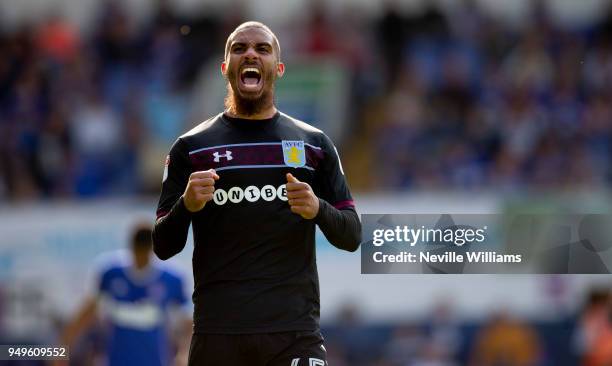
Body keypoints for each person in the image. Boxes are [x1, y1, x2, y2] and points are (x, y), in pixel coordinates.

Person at [153, 21, 361, 365]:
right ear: (226, 69)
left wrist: (318, 209)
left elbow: (352, 235)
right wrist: (186, 205)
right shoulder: (190, 149)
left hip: (294, 334)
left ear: (278, 69)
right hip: (218, 336)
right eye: (239, 48)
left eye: (262, 49)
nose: (250, 53)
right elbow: (163, 245)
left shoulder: (315, 144)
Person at [58, 223, 191, 366]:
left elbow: (188, 321)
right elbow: (87, 311)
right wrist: (63, 348)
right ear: (132, 247)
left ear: (151, 250)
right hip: (115, 360)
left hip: (155, 360)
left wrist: (185, 353)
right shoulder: (110, 272)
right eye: (137, 252)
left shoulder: (172, 279)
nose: (140, 258)